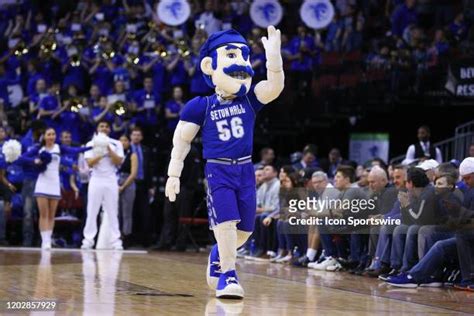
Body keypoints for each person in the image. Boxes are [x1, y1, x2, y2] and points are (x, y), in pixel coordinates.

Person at [165, 26, 284, 299]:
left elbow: (274, 88)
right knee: (226, 224)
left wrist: (274, 60)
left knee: (244, 231)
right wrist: (174, 174)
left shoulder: (249, 100)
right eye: (232, 55)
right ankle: (228, 275)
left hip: (245, 169)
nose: (241, 64)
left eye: (244, 56)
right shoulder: (200, 105)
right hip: (218, 169)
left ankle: (219, 254)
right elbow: (181, 142)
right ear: (210, 66)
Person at [21, 128, 90, 249]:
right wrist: (34, 160)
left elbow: (75, 150)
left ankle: (49, 238)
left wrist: (91, 146)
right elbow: (22, 157)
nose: (51, 136)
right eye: (49, 134)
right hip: (42, 182)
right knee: (43, 214)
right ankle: (45, 240)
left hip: (54, 183)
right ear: (44, 136)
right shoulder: (38, 148)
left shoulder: (59, 148)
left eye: (53, 134)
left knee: (51, 215)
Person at [81, 120, 124, 250]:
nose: (104, 128)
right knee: (92, 211)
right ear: (97, 129)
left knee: (112, 211)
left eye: (106, 126)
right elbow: (89, 163)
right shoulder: (90, 144)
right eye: (101, 126)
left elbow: (118, 161)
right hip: (96, 179)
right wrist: (101, 152)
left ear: (109, 129)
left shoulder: (117, 143)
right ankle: (88, 241)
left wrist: (109, 149)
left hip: (111, 179)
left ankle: (116, 241)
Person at [118, 134, 137, 245]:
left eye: (125, 140)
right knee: (116, 212)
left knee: (127, 212)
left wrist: (123, 186)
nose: (123, 143)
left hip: (128, 182)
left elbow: (133, 174)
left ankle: (126, 236)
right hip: (115, 181)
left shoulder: (132, 155)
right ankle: (116, 235)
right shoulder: (116, 155)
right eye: (121, 140)